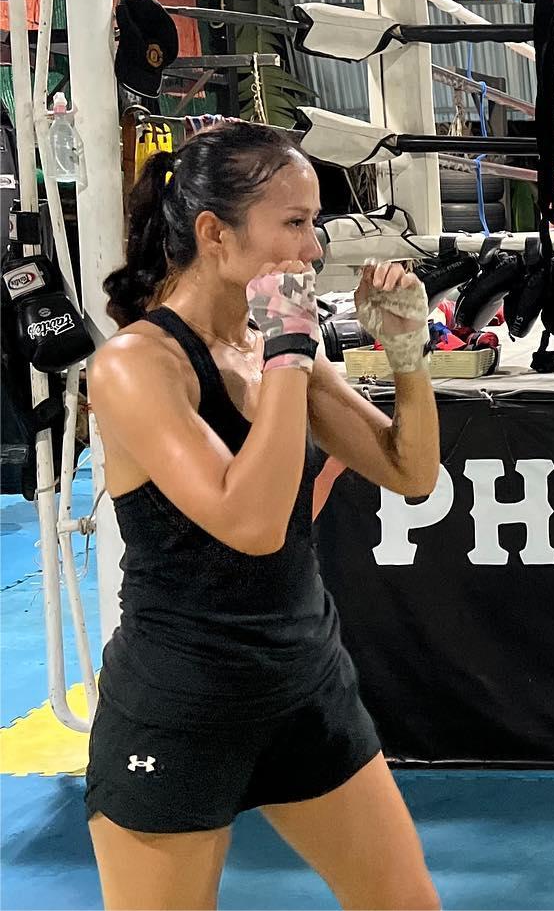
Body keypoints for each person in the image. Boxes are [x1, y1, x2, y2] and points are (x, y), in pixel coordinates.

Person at [86, 121, 442, 910]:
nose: (314, 249)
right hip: (183, 701)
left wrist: (408, 355)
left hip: (302, 684)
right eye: (294, 223)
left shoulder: (280, 349)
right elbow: (249, 522)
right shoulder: (134, 366)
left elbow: (411, 471)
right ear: (215, 233)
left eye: (313, 223)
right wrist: (286, 351)